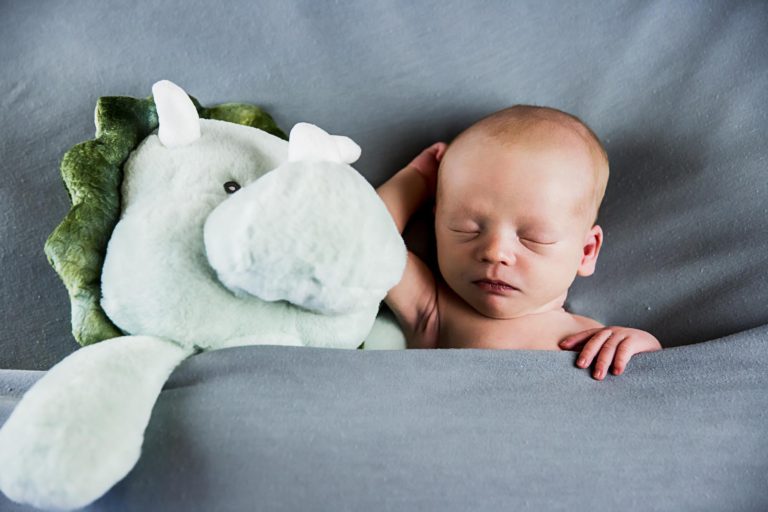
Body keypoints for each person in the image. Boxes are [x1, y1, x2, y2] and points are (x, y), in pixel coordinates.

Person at [376, 105, 662, 380]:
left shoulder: (593, 339)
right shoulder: (433, 311)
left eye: (533, 238)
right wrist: (417, 179)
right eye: (467, 229)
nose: (494, 252)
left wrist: (643, 345)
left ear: (586, 252)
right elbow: (369, 239)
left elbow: (652, 388)